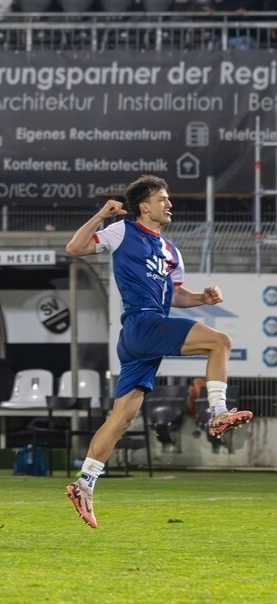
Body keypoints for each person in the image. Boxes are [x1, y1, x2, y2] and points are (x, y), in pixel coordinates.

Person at [63, 175, 253, 529]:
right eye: (162, 199)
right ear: (144, 206)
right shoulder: (122, 231)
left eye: (168, 199)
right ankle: (216, 412)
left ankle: (84, 483)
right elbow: (74, 249)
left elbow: (175, 296)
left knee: (122, 419)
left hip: (142, 335)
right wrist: (101, 215)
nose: (169, 204)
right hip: (141, 324)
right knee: (220, 342)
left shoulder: (170, 249)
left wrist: (201, 299)